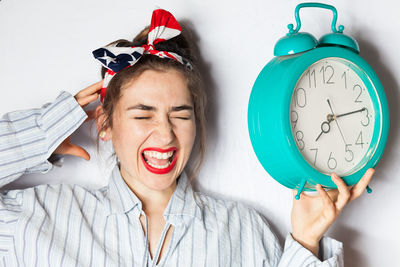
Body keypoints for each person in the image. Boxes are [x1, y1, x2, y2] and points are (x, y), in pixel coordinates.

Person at [0, 9, 374, 267]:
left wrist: (306, 240)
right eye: (142, 113)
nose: (165, 134)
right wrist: (44, 129)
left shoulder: (242, 232)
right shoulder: (38, 218)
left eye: (180, 114)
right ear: (105, 124)